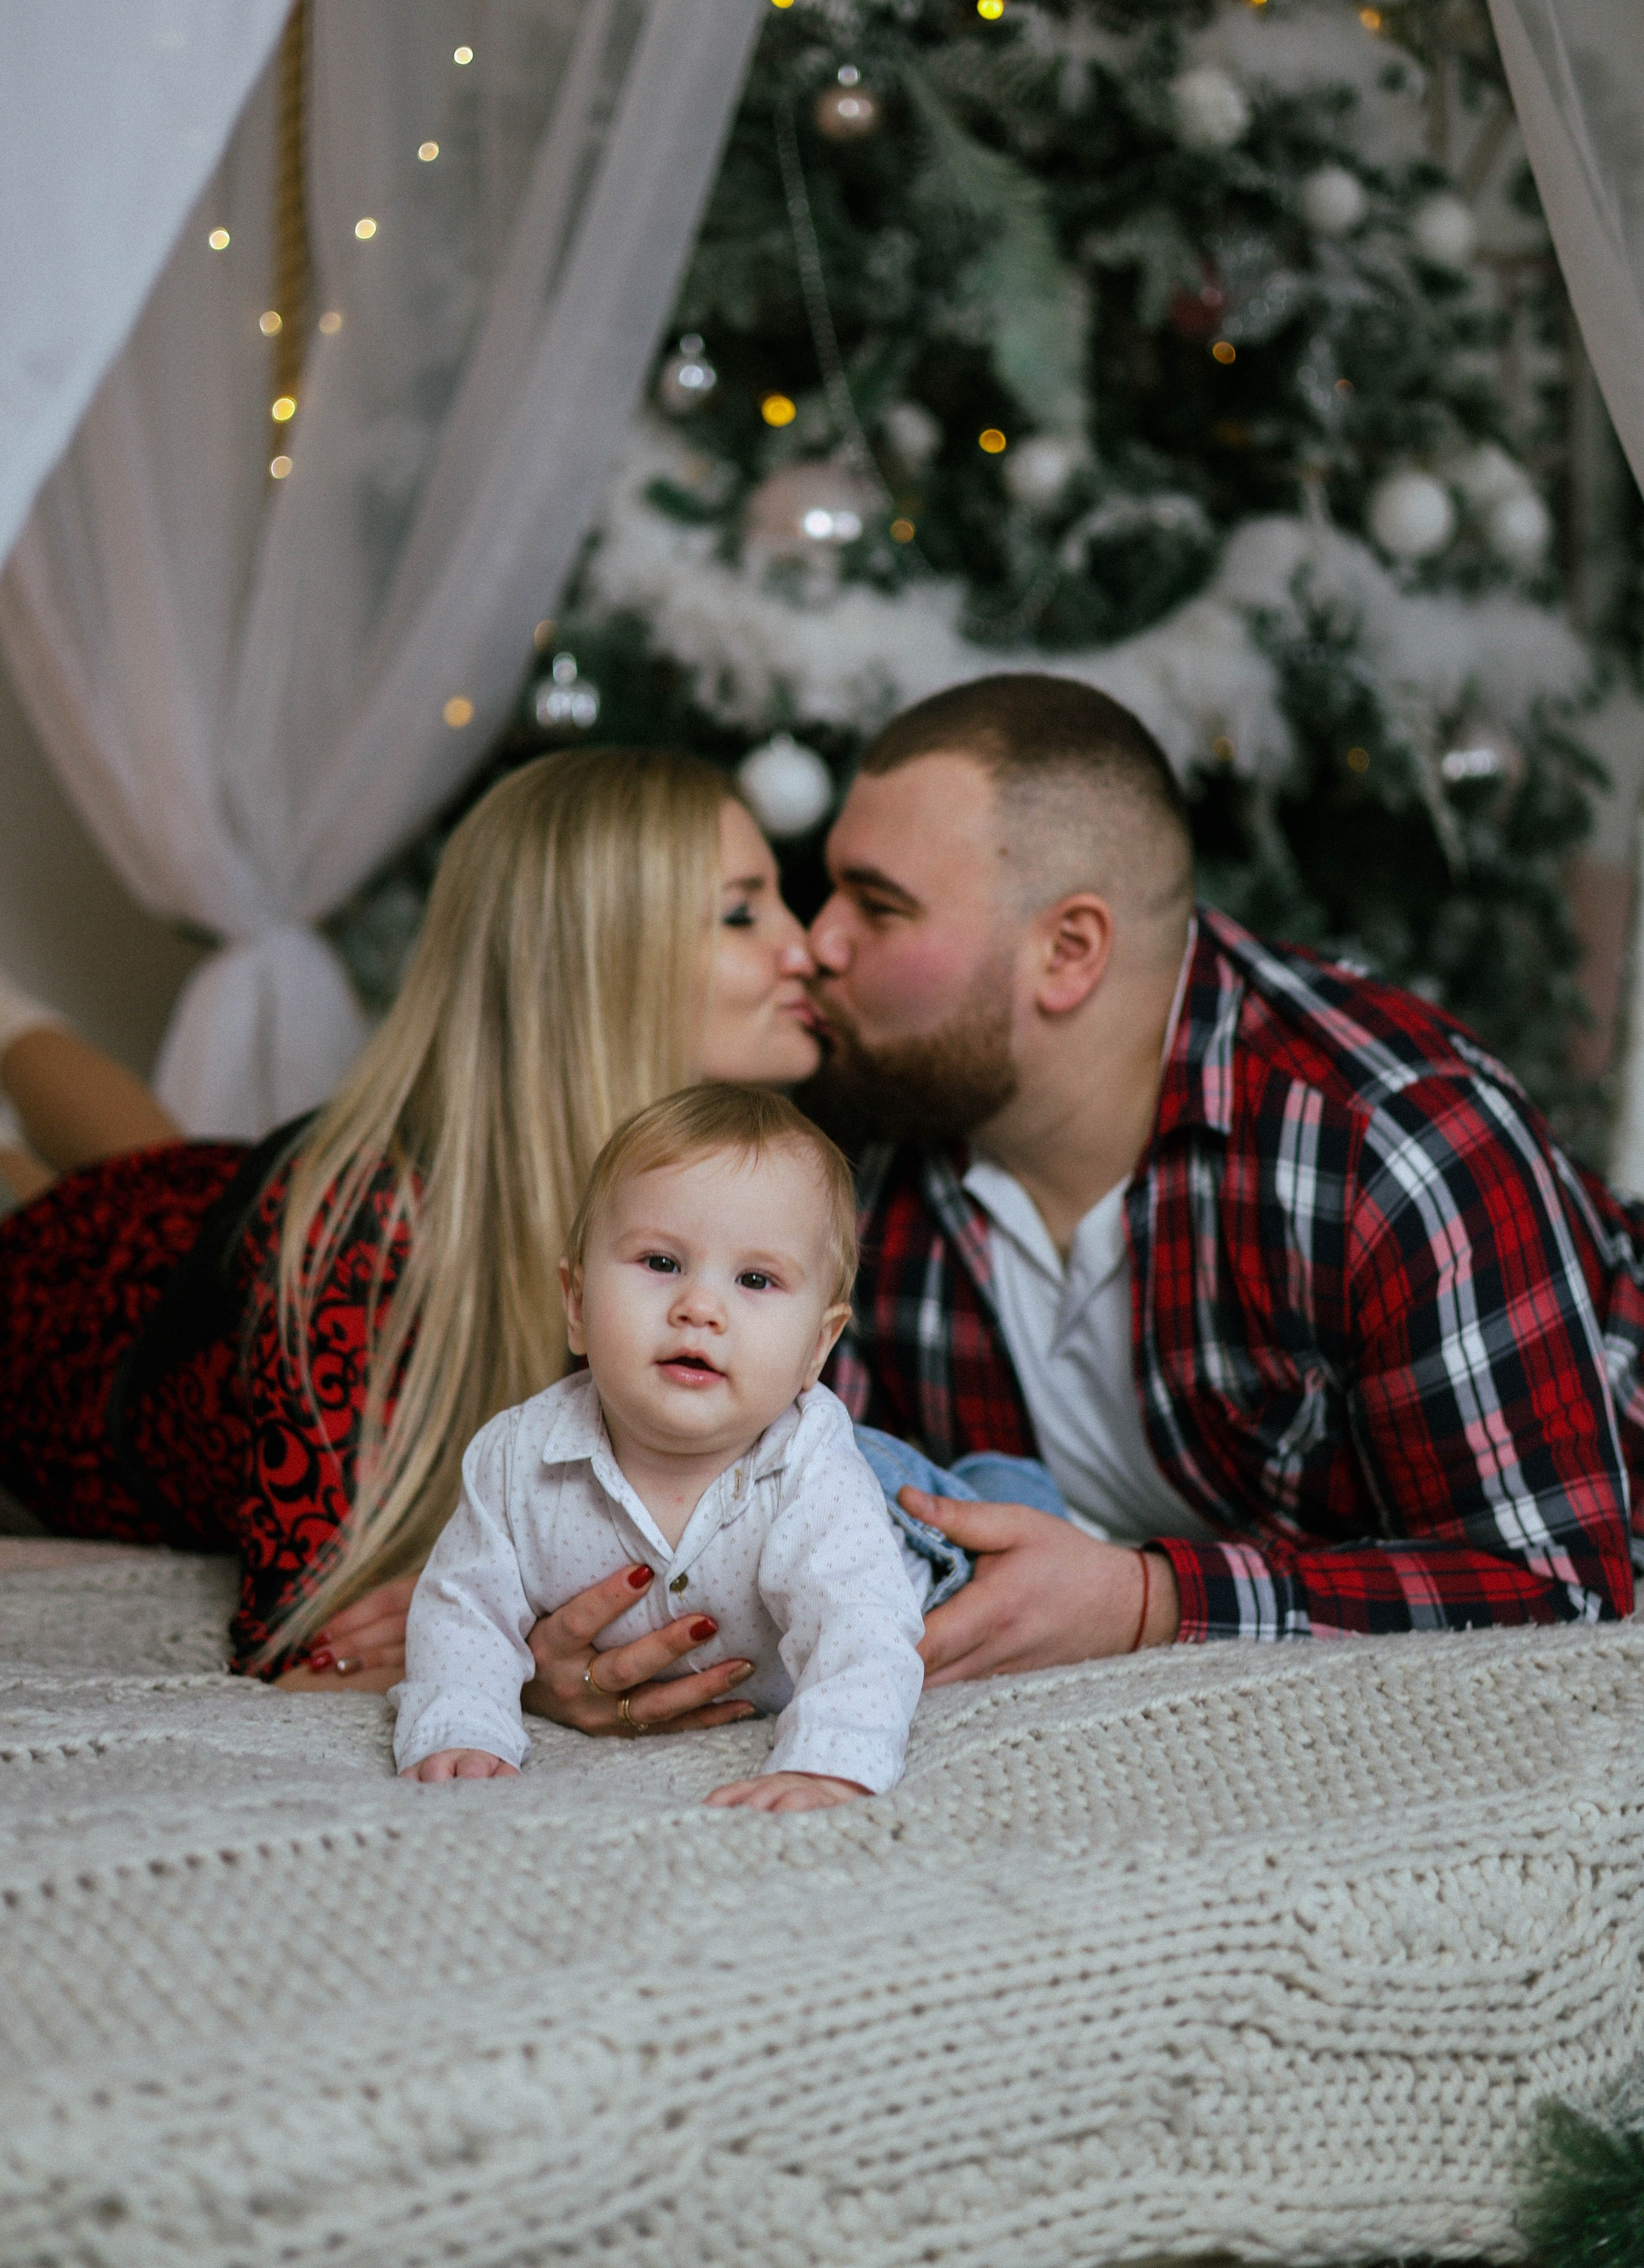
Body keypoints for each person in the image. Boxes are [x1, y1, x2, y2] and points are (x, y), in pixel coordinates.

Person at [807, 673, 1643, 1683]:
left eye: (879, 906)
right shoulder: (881, 1132)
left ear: (1068, 951)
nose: (818, 941)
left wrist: (1147, 1603)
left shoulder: (1388, 1140)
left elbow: (1562, 1594)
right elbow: (779, 1486)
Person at [0, 749, 837, 1738]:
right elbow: (306, 1648)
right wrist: (521, 1663)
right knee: (63, 1203)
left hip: (210, 1203)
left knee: (150, 1162)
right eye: (742, 913)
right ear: (600, 958)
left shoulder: (759, 1204)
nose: (808, 949)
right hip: (80, 1314)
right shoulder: (367, 1245)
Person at [394, 1085, 925, 1810]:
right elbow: (463, 1610)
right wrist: (461, 1728)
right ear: (577, 1303)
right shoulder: (516, 1460)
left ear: (818, 1346)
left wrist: (828, 1764)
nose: (699, 1308)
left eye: (755, 1279)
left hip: (905, 1510)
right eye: (661, 1263)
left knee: (971, 1503)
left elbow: (860, 1628)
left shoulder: (811, 1470)